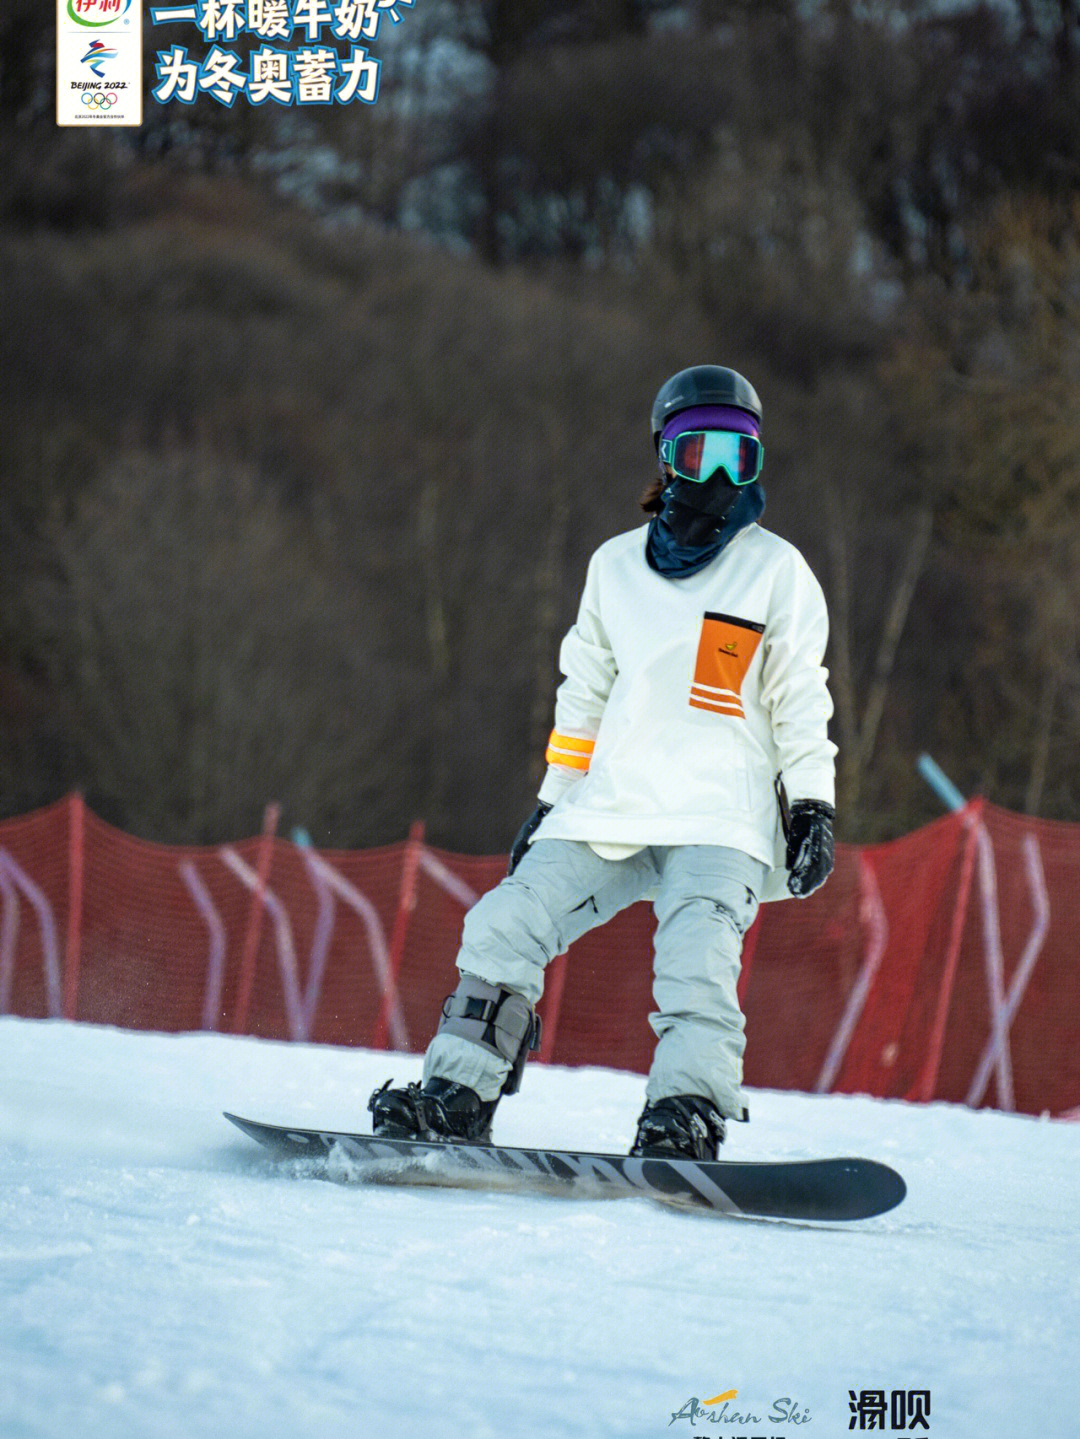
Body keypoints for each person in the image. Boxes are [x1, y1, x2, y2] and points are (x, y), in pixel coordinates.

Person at [369, 365, 837, 1160]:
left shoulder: (775, 570)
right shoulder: (615, 567)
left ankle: (685, 1110)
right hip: (612, 803)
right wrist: (553, 801)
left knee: (696, 957)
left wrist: (812, 805)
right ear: (665, 457)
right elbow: (583, 696)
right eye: (700, 454)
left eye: (741, 456)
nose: (720, 476)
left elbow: (801, 696)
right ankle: (459, 1091)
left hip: (719, 816)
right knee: (506, 920)